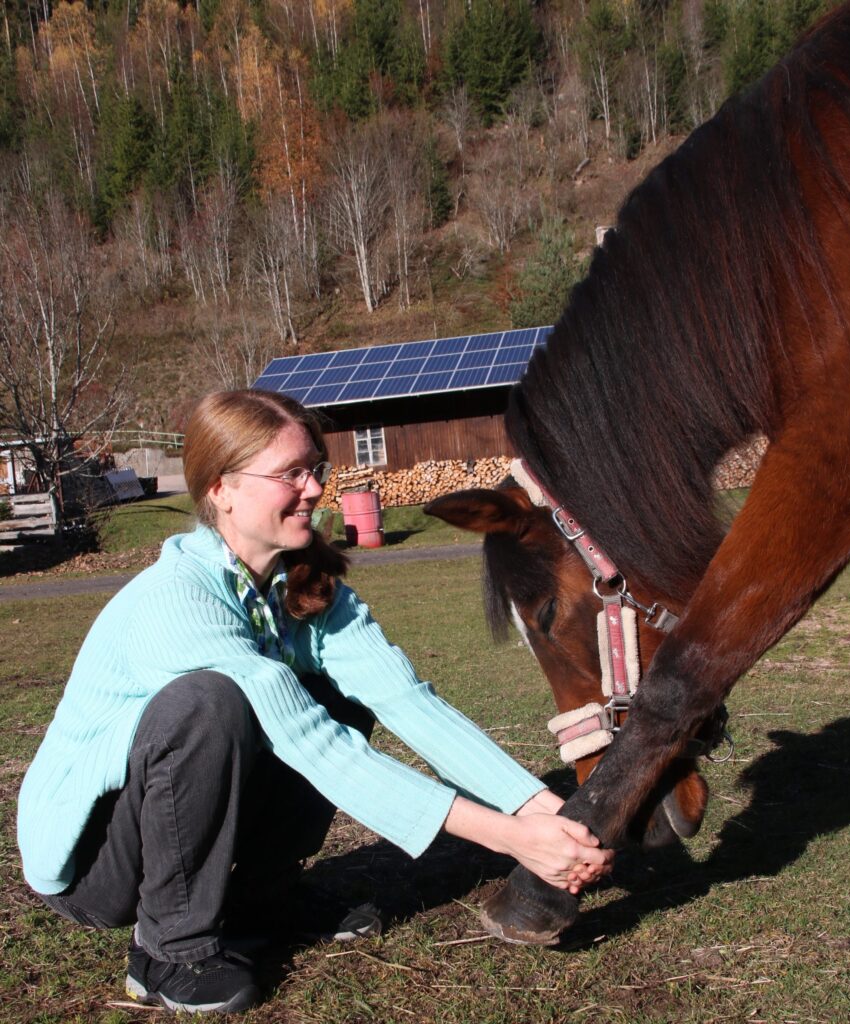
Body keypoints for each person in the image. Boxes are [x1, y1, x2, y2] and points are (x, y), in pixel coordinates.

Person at [17, 389, 612, 1015]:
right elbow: (315, 747)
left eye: (315, 469)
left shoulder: (304, 586)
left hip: (175, 825)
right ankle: (168, 949)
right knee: (207, 704)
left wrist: (548, 811)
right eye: (289, 474)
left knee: (335, 696)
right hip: (98, 865)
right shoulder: (173, 601)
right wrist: (513, 839)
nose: (314, 490)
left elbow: (409, 702)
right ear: (221, 488)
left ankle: (259, 901)